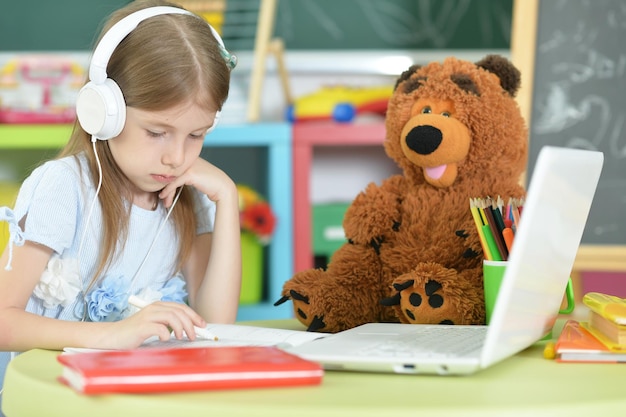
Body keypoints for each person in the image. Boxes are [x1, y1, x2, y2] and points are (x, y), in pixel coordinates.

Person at [0, 0, 241, 394]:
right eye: (156, 131)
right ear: (104, 111)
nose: (176, 157)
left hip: (138, 398)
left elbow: (216, 326)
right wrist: (114, 335)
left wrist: (227, 200)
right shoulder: (62, 188)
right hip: (56, 398)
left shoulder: (187, 199)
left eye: (196, 135)